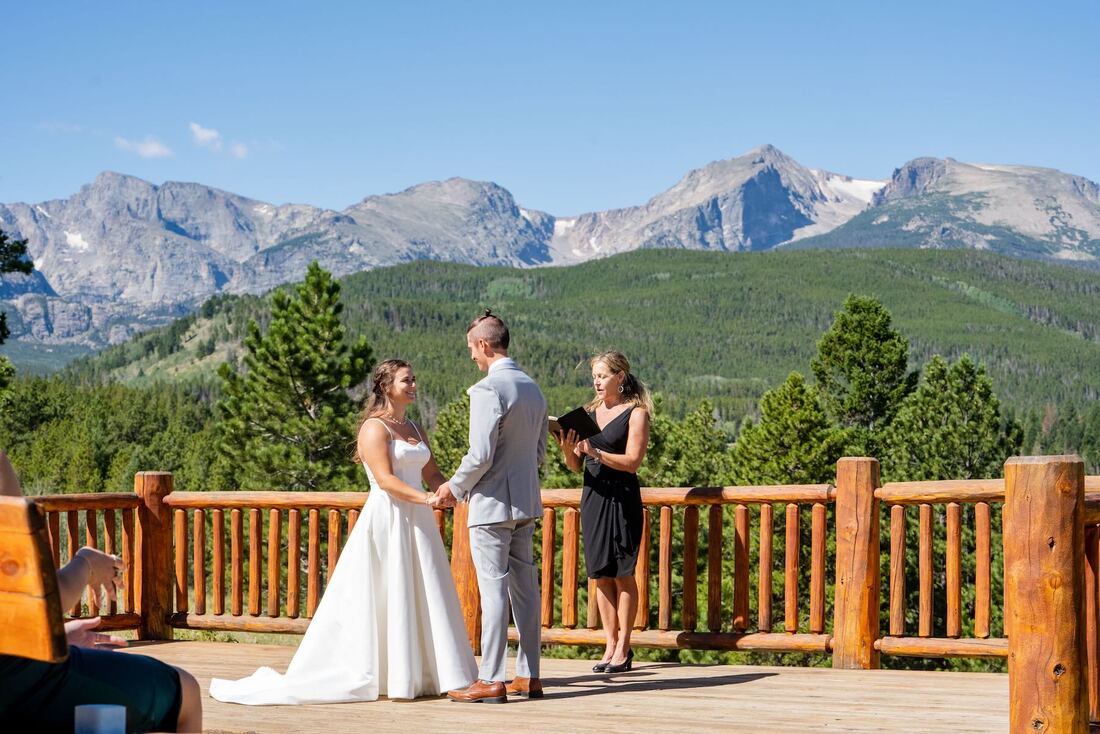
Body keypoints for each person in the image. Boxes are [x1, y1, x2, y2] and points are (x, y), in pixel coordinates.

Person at [210, 359, 477, 704]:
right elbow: (386, 481)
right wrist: (427, 498)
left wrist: (449, 490)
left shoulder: (414, 427)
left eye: (414, 380)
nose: (414, 385)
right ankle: (393, 673)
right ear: (386, 386)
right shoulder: (374, 428)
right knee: (389, 591)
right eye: (406, 380)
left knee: (427, 591)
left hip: (419, 521)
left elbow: (434, 474)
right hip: (390, 518)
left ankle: (431, 672)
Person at [0, 449, 203, 733]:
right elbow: (37, 602)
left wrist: (58, 640)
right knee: (187, 692)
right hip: (19, 684)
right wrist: (85, 565)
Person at [434, 310, 548, 702]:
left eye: (471, 349)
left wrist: (454, 487)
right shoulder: (532, 388)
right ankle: (529, 674)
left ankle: (492, 678)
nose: (471, 357)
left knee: (493, 591)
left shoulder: (487, 389)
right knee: (526, 591)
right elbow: (538, 454)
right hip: (526, 504)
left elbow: (480, 454)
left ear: (484, 344)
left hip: (491, 506)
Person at [555, 351, 651, 674]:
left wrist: (597, 451)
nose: (596, 381)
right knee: (600, 574)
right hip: (593, 497)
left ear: (620, 378)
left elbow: (633, 462)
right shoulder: (589, 413)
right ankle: (609, 643)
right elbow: (574, 466)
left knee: (623, 573)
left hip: (622, 498)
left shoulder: (636, 414)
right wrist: (571, 451)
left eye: (602, 376)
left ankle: (625, 645)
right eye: (594, 376)